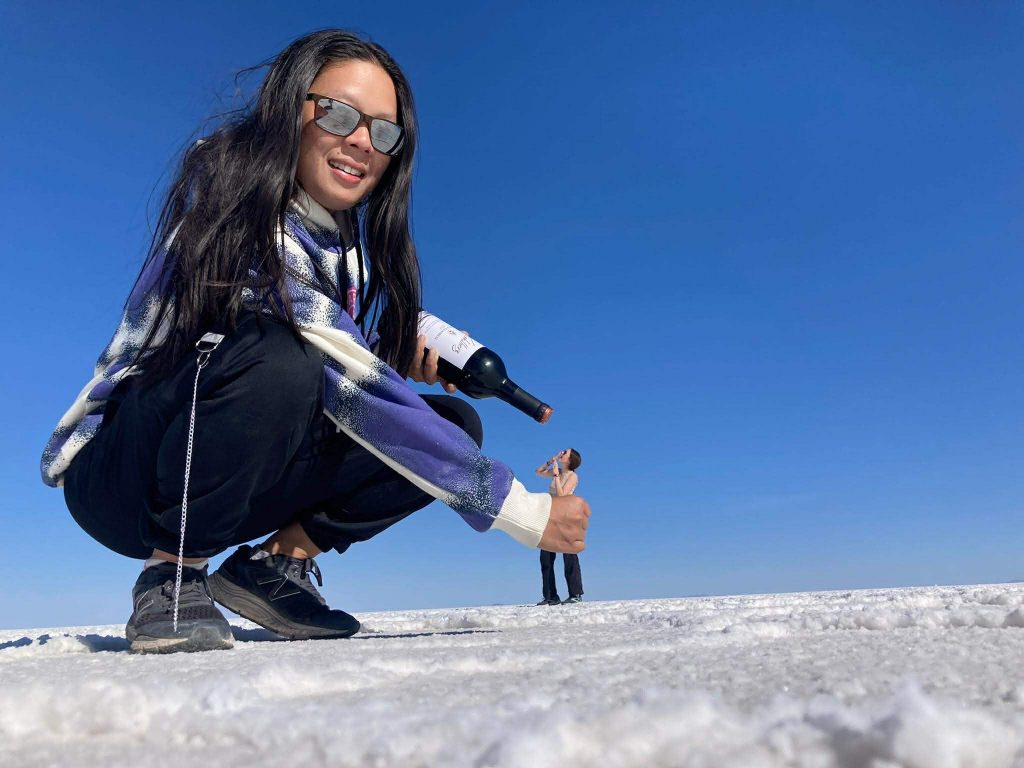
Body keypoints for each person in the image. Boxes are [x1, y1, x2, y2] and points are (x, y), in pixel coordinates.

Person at [40, 29, 591, 654]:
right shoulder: (240, 211)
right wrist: (524, 513)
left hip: (231, 477)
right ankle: (171, 576)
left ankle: (274, 566)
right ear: (289, 110)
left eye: (384, 132)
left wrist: (389, 355)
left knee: (451, 422)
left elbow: (342, 372)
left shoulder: (343, 247)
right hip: (125, 473)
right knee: (283, 357)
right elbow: (332, 370)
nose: (361, 139)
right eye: (337, 112)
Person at [534, 449, 584, 605]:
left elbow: (562, 496)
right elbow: (538, 471)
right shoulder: (559, 470)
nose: (562, 453)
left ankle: (575, 594)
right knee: (546, 558)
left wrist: (556, 475)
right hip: (551, 517)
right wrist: (552, 460)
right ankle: (550, 595)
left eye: (565, 453)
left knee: (569, 556)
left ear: (571, 459)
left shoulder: (572, 476)